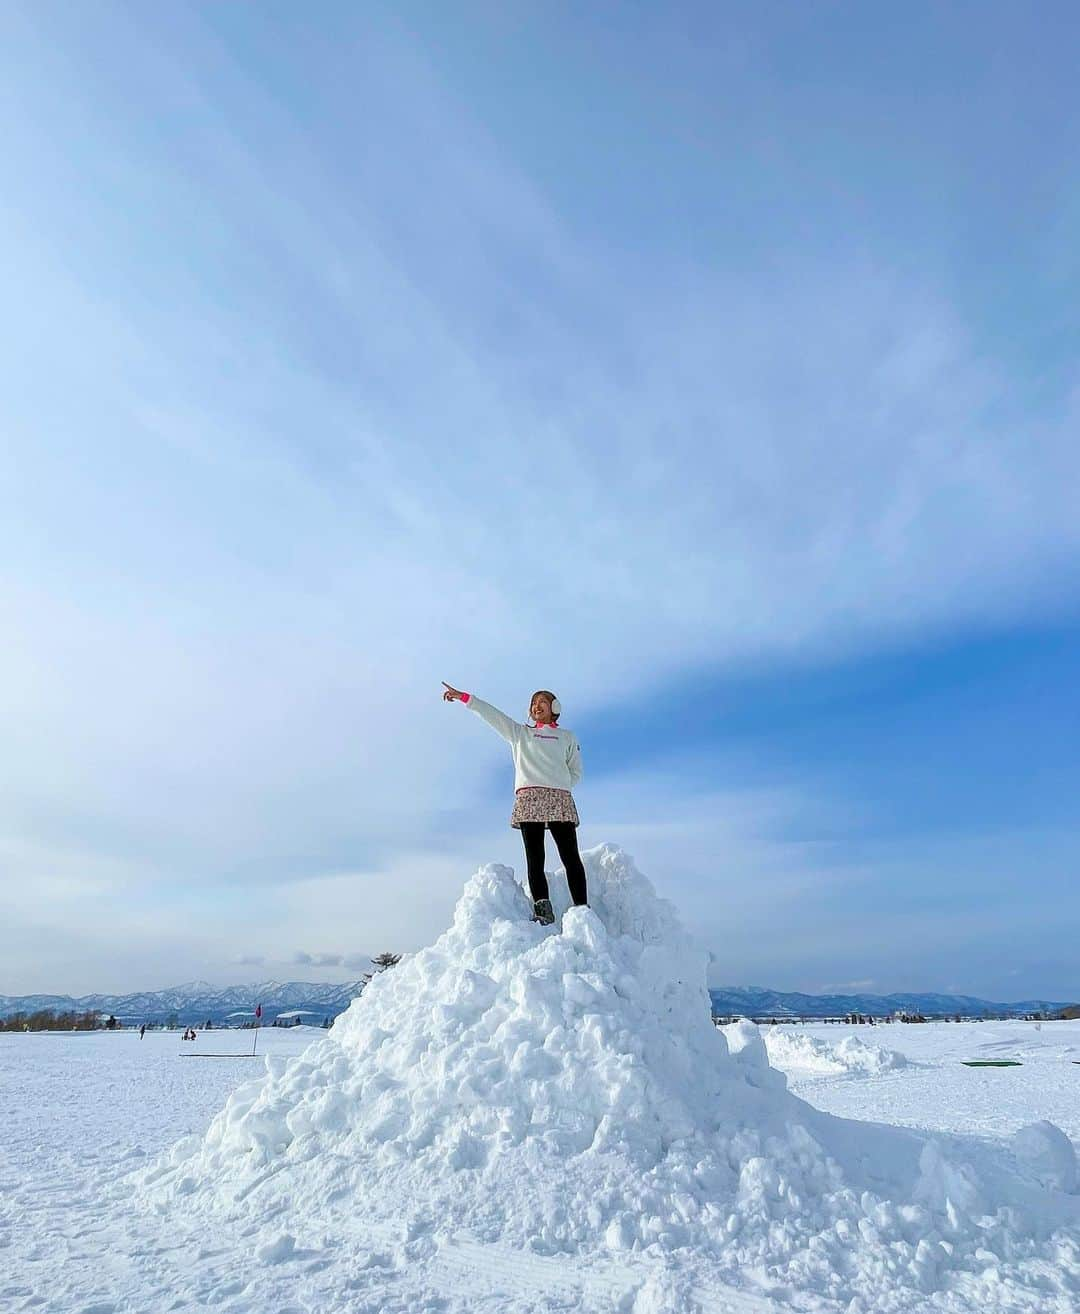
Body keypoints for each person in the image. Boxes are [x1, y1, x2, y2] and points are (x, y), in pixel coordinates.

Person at [442, 683, 586, 924]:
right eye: (533, 702)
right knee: (535, 858)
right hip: (528, 798)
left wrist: (558, 783)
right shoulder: (520, 734)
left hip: (559, 798)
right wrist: (465, 698)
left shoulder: (567, 737)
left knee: (570, 856)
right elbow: (491, 715)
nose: (536, 705)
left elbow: (576, 772)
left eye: (542, 701)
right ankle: (543, 908)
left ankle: (582, 907)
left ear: (555, 707)